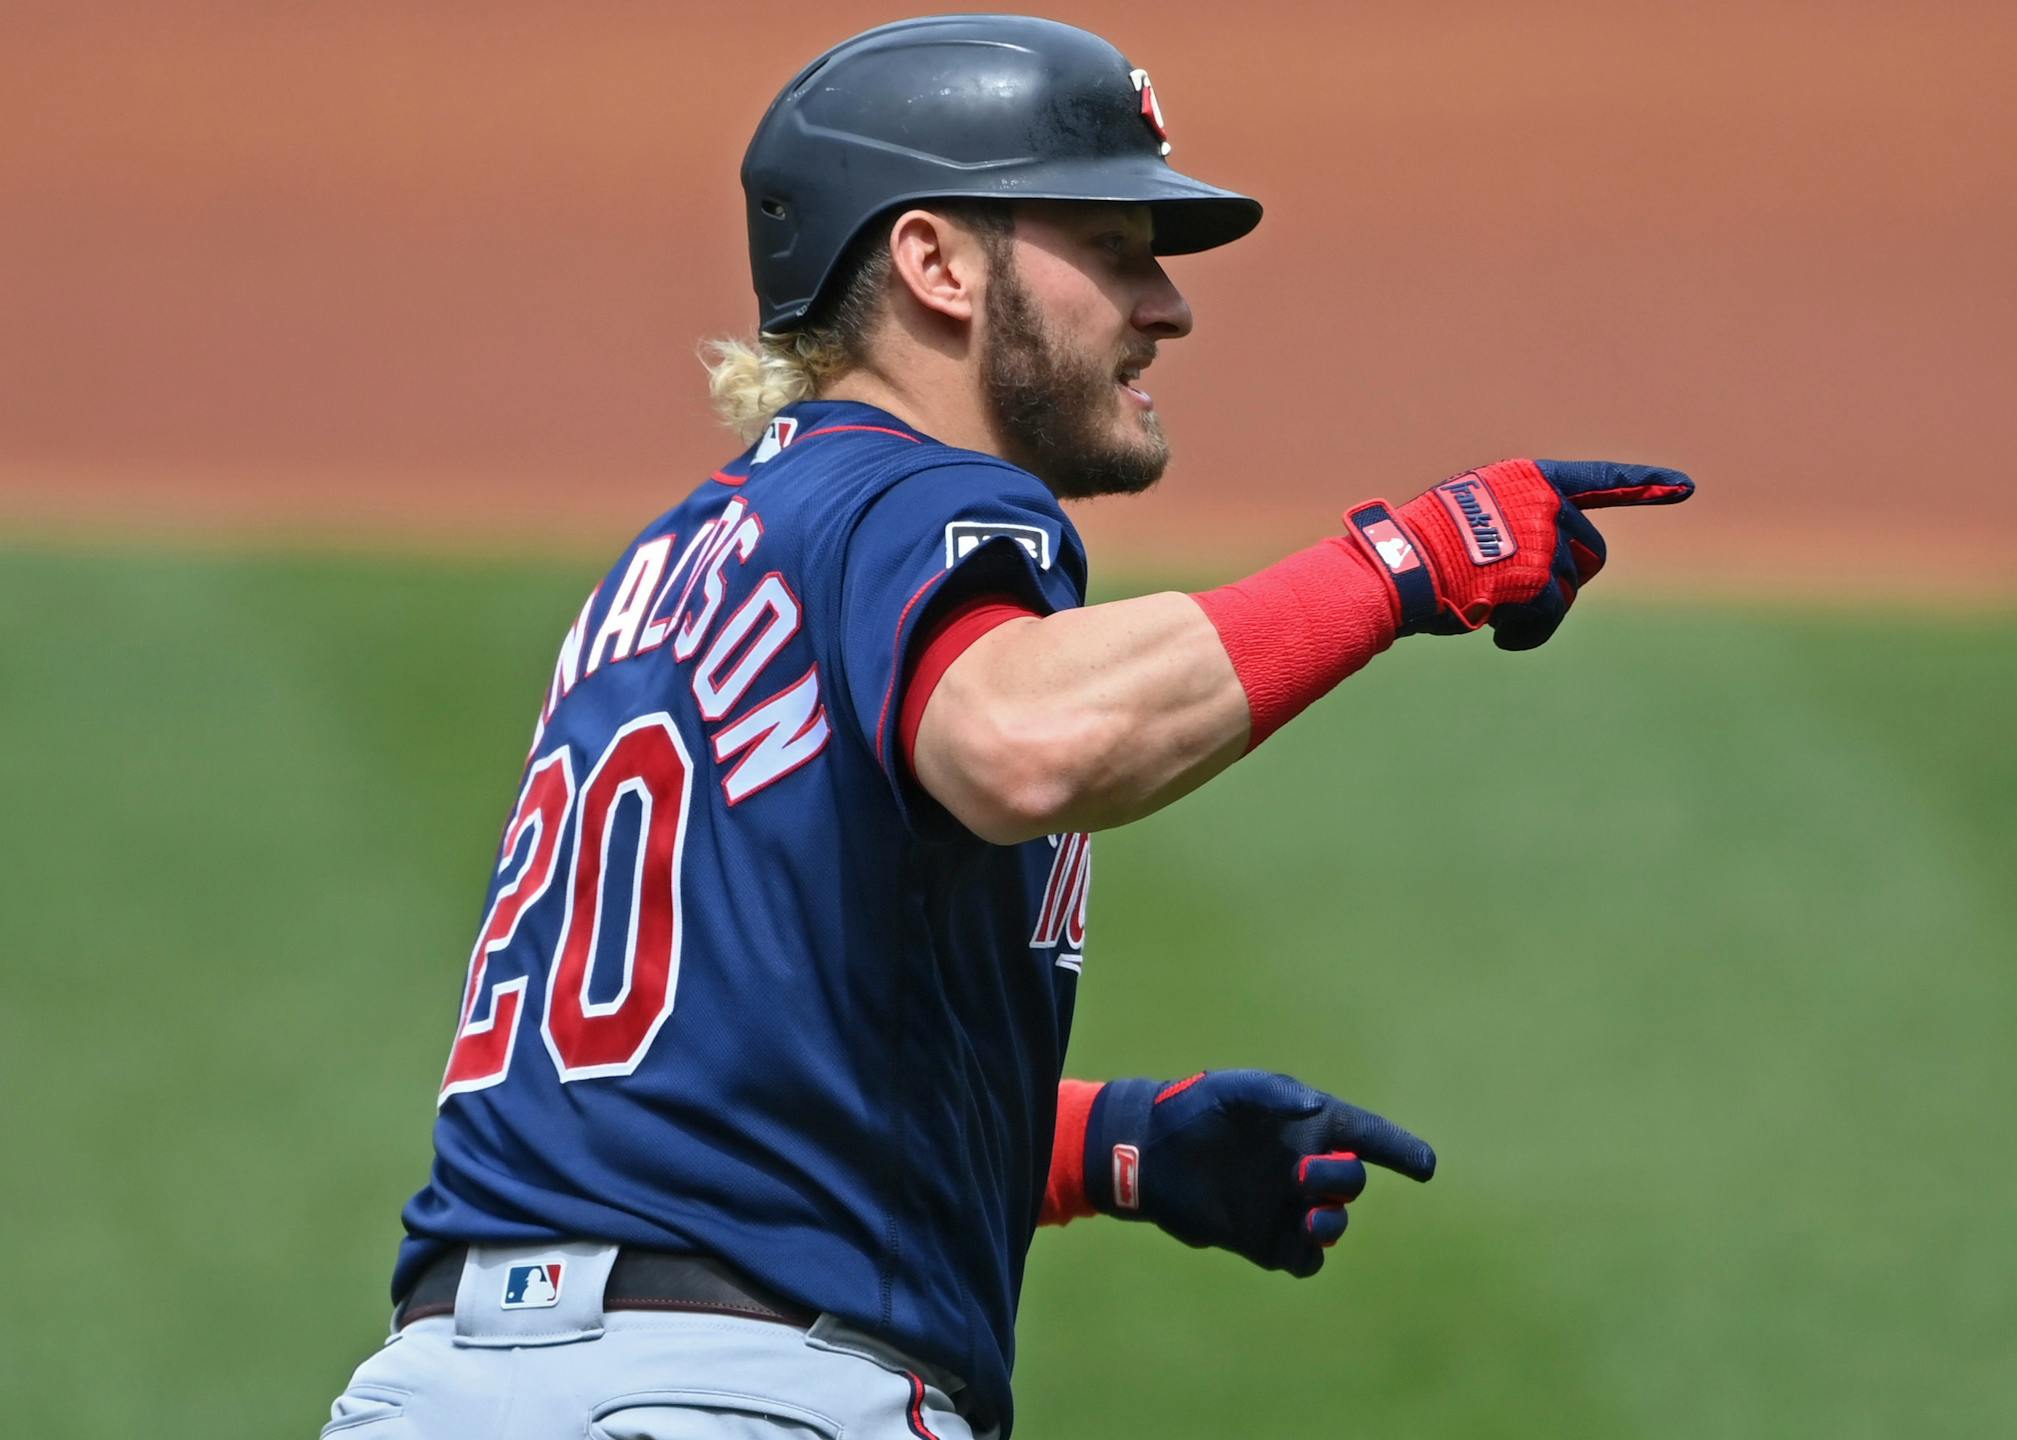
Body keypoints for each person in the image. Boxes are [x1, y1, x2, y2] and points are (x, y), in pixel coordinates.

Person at [322, 15, 1694, 1440]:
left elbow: (711, 1071)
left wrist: (1115, 1149)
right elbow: (1021, 745)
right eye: (1112, 245)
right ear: (935, 263)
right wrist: (1406, 562)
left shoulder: (669, 575)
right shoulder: (921, 502)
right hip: (734, 1400)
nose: (1165, 305)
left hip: (439, 1393)